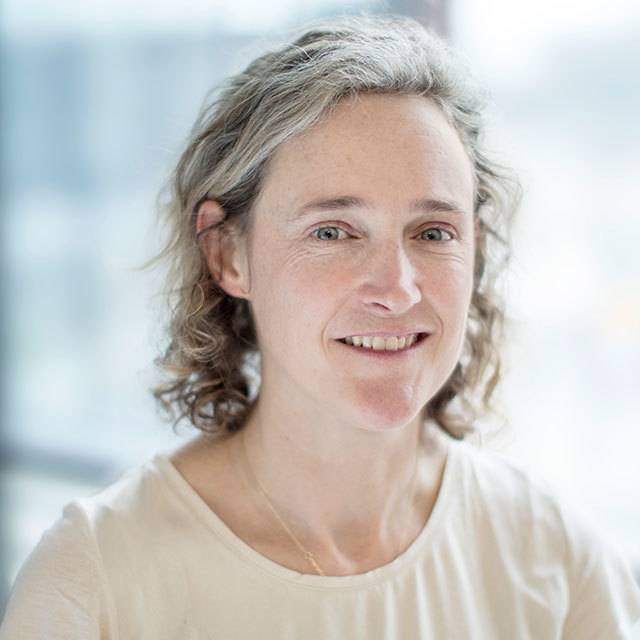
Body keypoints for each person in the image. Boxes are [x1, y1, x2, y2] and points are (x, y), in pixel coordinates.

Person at [2, 13, 639, 640]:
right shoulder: (94, 580)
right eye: (333, 232)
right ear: (228, 253)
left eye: (433, 232)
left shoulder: (555, 558)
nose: (397, 288)